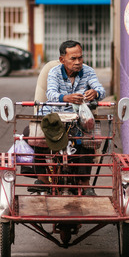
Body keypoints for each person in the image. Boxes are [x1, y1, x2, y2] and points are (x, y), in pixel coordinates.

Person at [33, 40, 106, 196]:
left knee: (90, 139)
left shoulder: (88, 71)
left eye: (80, 58)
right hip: (55, 115)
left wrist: (96, 93)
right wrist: (66, 98)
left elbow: (100, 89)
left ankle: (84, 182)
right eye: (73, 59)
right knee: (34, 134)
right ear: (62, 59)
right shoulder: (54, 72)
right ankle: (42, 178)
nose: (78, 62)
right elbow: (51, 94)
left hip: (79, 117)